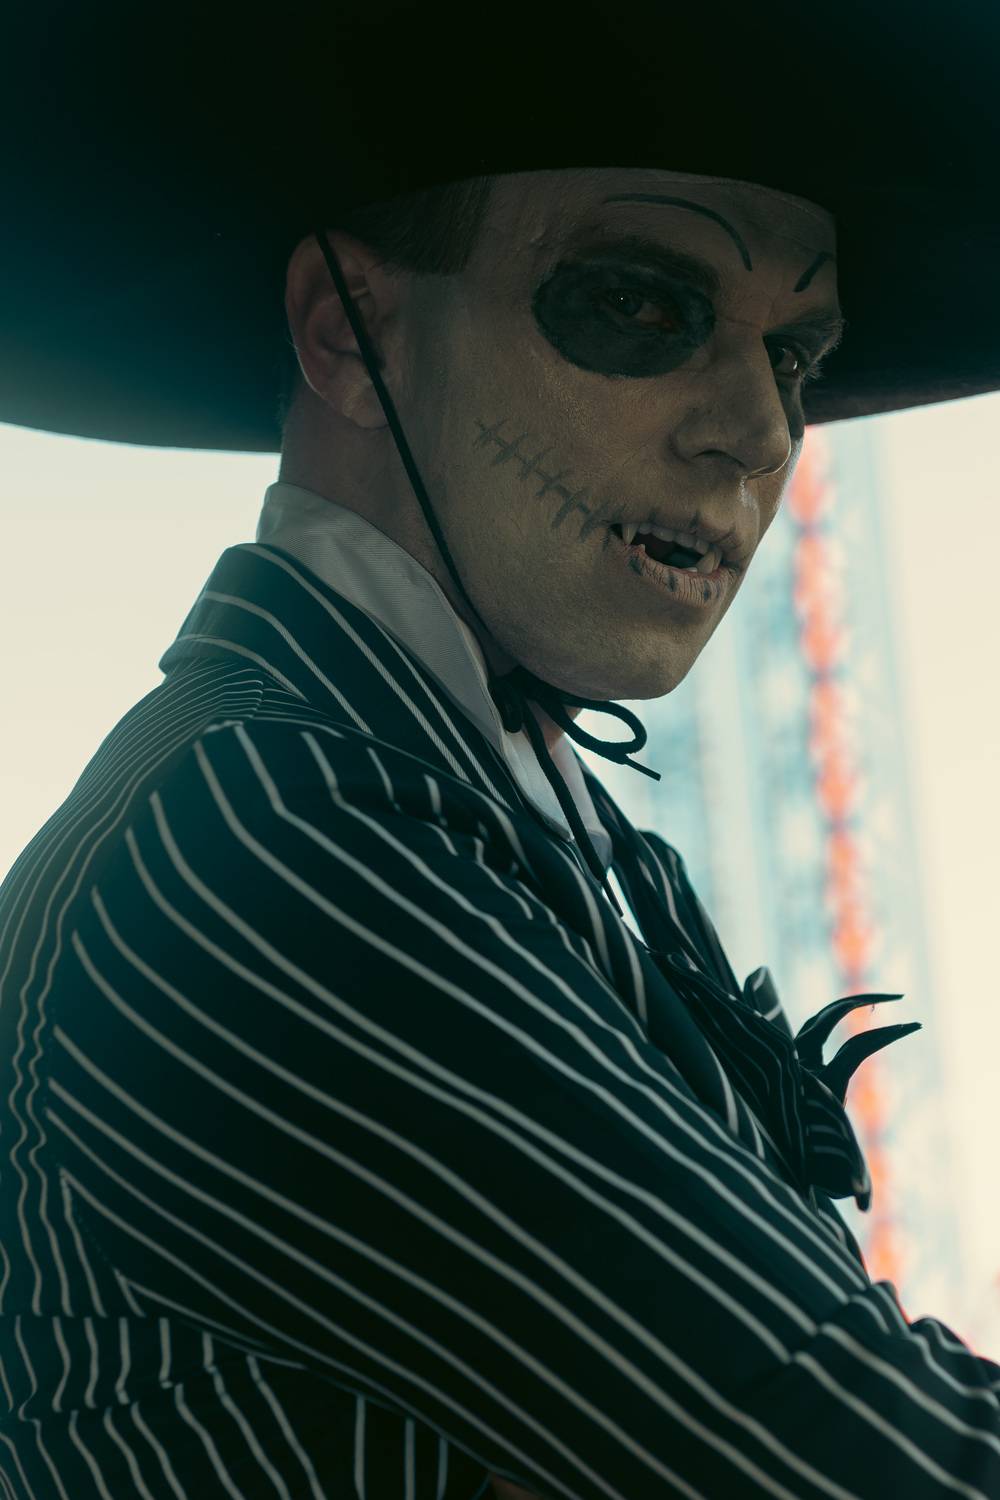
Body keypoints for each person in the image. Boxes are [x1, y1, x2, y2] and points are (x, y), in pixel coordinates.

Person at [2, 2, 1000, 1495]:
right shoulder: (264, 842)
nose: (757, 429)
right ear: (348, 334)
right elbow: (854, 1452)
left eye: (795, 354)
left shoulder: (511, 830)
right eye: (642, 306)